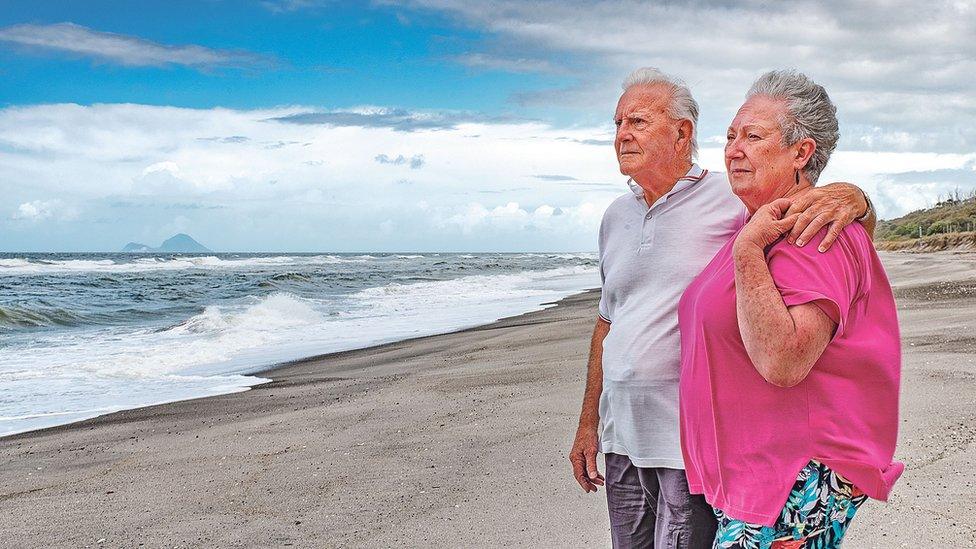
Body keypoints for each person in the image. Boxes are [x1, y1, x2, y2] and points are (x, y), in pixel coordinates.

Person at [568, 67, 876, 548]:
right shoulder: (614, 217)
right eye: (617, 123)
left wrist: (858, 198)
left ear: (683, 133)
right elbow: (607, 322)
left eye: (638, 122)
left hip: (689, 442)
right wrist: (589, 422)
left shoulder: (731, 198)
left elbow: (821, 225)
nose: (622, 134)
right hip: (621, 436)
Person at [678, 70, 902, 548]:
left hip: (792, 477)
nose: (733, 149)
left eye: (753, 136)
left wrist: (746, 251)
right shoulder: (759, 221)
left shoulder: (816, 229)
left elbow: (784, 360)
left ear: (802, 152)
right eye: (731, 136)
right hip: (755, 475)